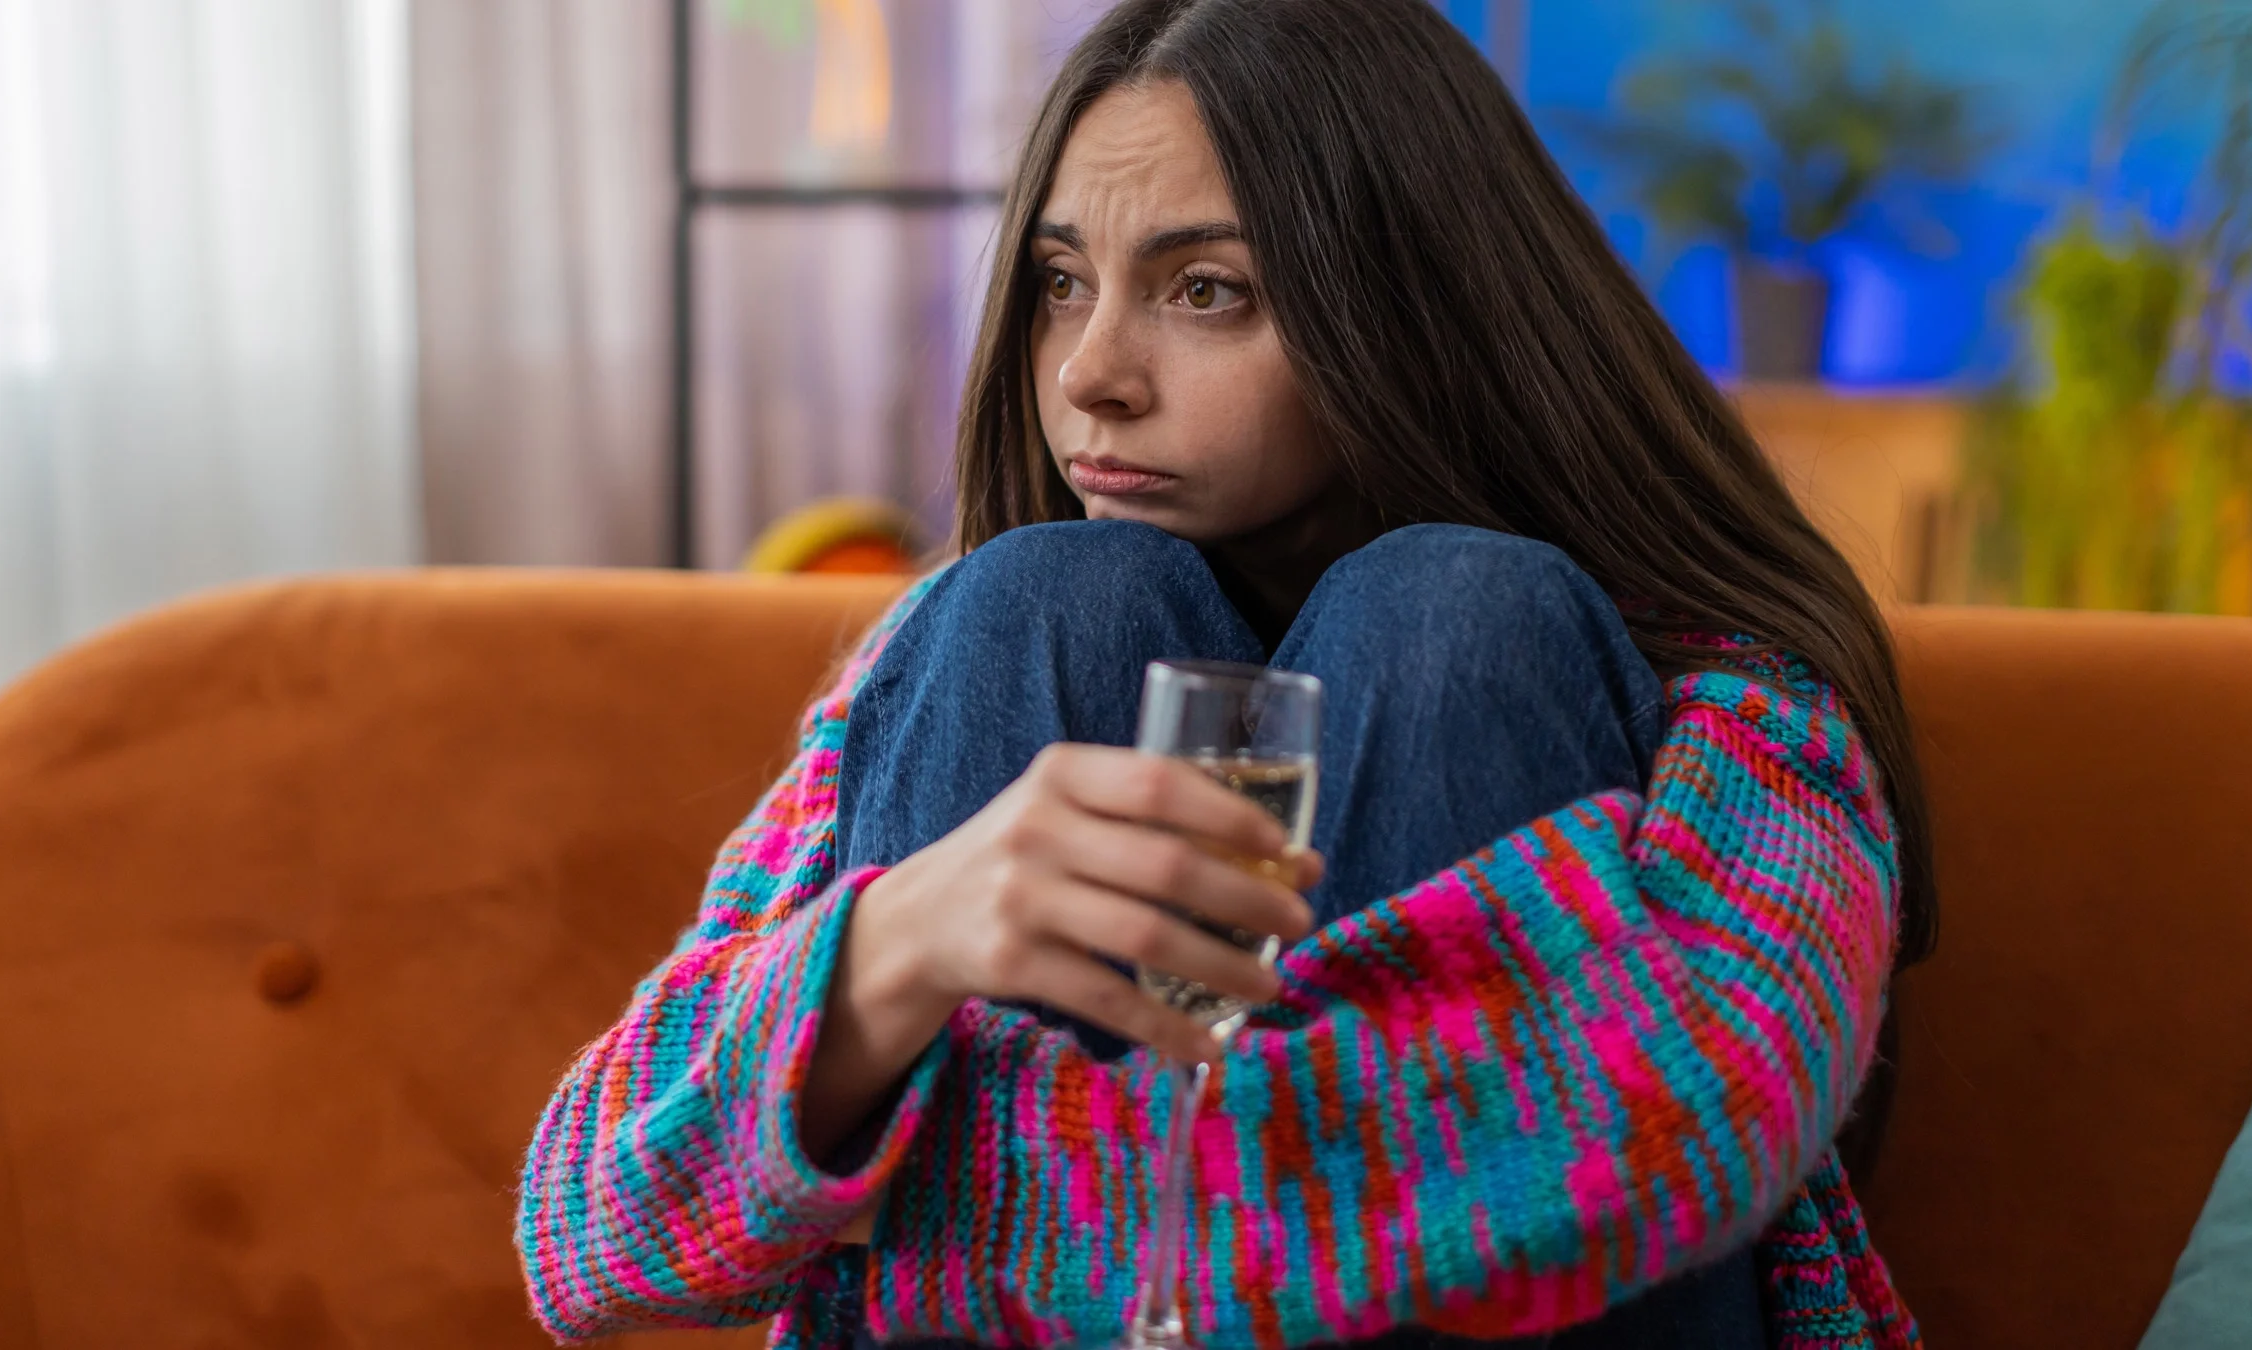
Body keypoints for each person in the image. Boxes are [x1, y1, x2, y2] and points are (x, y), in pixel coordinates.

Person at [515, 2, 1932, 1347]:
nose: (1087, 374)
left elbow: (1693, 1111)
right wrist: (904, 936)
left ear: (1413, 315)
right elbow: (588, 1225)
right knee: (1040, 594)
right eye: (1062, 282)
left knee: (1457, 609)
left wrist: (1021, 1201)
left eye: (1206, 291)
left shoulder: (1729, 698)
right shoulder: (971, 637)